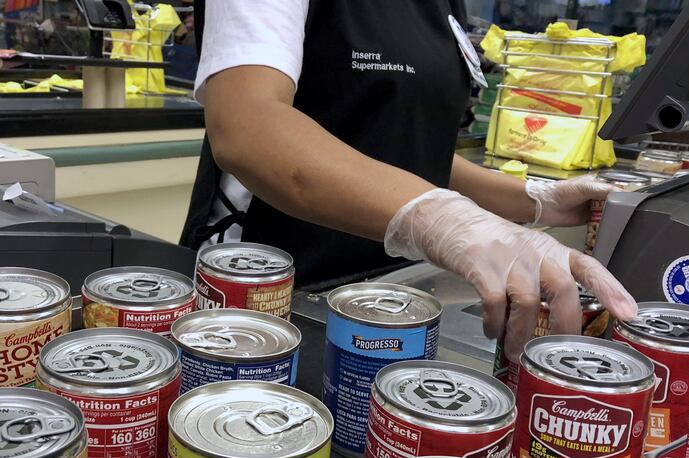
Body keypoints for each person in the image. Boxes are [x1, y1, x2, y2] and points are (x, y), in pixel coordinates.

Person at [180, 0, 638, 363]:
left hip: (393, 293)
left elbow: (401, 146)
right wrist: (443, 220)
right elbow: (248, 129)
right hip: (274, 294)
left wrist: (533, 201)